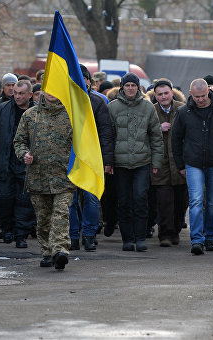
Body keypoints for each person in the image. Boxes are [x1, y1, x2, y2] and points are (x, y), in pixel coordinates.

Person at [172, 78, 213, 255]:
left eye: (203, 95)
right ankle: (197, 239)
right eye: (196, 96)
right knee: (196, 201)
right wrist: (180, 164)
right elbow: (176, 139)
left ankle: (210, 236)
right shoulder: (184, 112)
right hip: (193, 163)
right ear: (190, 94)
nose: (200, 99)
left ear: (208, 91)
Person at [13, 91, 75, 270]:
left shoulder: (71, 115)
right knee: (43, 219)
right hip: (38, 177)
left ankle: (60, 251)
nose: (52, 93)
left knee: (61, 214)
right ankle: (47, 252)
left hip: (64, 177)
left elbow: (83, 143)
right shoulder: (31, 115)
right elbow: (19, 141)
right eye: (48, 89)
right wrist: (24, 154)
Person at [106, 72, 163, 252]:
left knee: (140, 198)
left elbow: (156, 137)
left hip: (142, 161)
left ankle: (140, 237)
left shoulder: (148, 107)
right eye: (127, 85)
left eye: (133, 85)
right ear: (122, 87)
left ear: (138, 87)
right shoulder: (113, 107)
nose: (130, 88)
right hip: (120, 163)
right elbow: (108, 136)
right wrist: (108, 161)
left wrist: (156, 162)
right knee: (123, 201)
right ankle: (127, 239)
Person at [0, 80, 37, 248]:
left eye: (21, 94)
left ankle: (21, 235)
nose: (17, 96)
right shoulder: (2, 110)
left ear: (30, 95)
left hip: (27, 164)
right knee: (3, 199)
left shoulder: (37, 113)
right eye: (15, 93)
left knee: (25, 201)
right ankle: (7, 229)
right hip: (4, 161)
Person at [67, 65, 114, 252]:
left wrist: (106, 161)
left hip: (92, 159)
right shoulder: (64, 101)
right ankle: (72, 236)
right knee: (70, 201)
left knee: (91, 199)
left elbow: (106, 133)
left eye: (83, 78)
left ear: (89, 81)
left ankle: (89, 235)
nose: (80, 81)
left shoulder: (97, 102)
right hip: (69, 158)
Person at [149, 78, 188, 247]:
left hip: (181, 163)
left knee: (181, 201)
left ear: (172, 93)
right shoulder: (151, 111)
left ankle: (176, 230)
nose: (164, 97)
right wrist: (159, 127)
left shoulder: (183, 109)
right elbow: (142, 132)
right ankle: (164, 234)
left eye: (166, 93)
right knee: (164, 202)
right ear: (155, 96)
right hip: (161, 163)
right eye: (160, 94)